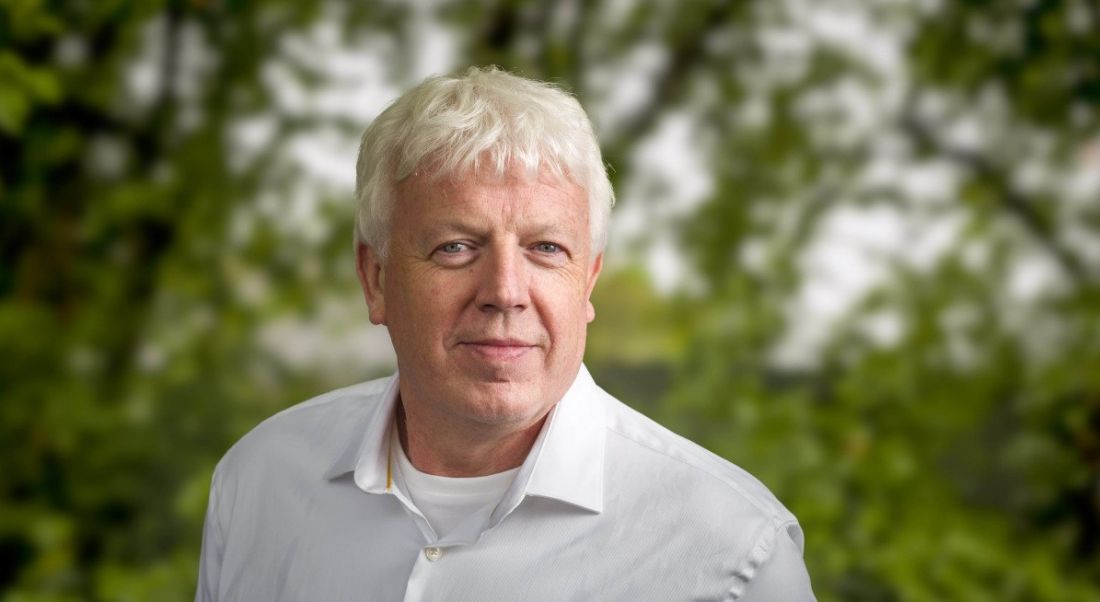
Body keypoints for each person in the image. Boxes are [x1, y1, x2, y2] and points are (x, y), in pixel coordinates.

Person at [195, 66, 814, 601]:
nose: (505, 291)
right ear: (375, 278)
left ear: (588, 281)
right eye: (456, 247)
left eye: (546, 248)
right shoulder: (258, 482)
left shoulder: (735, 555)